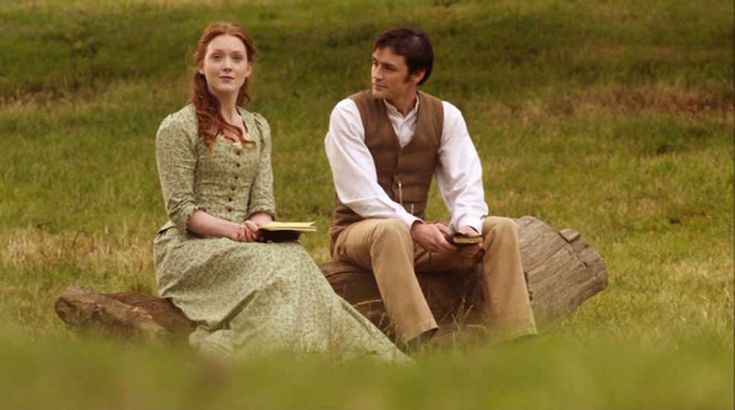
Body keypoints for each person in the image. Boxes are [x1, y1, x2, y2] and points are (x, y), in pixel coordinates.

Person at [153, 22, 406, 362]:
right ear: (201, 66)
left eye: (236, 58)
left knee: (296, 259)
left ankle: (358, 356)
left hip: (245, 243)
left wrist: (259, 225)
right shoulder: (178, 127)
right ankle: (252, 355)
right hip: (190, 249)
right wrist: (234, 231)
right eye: (217, 57)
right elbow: (182, 209)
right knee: (283, 271)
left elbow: (262, 201)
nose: (227, 65)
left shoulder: (257, 126)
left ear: (248, 69)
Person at [324, 26, 537, 348]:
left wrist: (467, 227)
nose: (376, 74)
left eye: (388, 68)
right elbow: (359, 192)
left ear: (417, 74)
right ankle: (420, 340)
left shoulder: (445, 115)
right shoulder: (349, 113)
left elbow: (464, 181)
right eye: (374, 63)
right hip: (357, 234)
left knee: (501, 229)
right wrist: (414, 227)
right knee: (390, 231)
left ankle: (517, 341)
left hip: (415, 239)